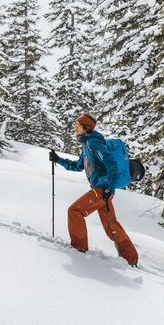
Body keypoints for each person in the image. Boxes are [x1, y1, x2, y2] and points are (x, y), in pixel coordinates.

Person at [49, 112, 139, 266]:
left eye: (78, 125)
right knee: (111, 226)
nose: (75, 128)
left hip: (103, 189)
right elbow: (77, 166)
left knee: (75, 211)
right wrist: (58, 159)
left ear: (86, 128)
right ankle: (131, 259)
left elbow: (110, 163)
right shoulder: (86, 146)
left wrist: (110, 188)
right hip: (102, 189)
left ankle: (79, 248)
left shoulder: (94, 143)